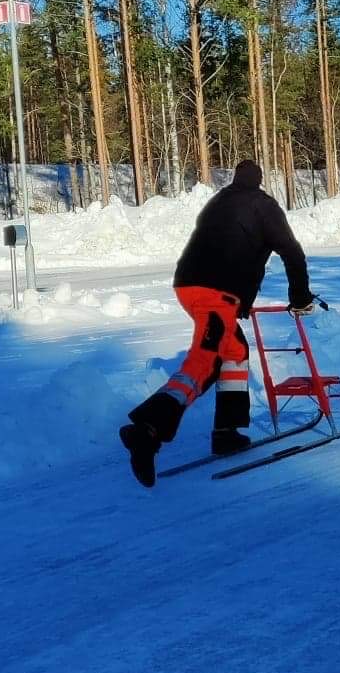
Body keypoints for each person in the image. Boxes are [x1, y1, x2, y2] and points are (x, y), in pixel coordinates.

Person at [120, 160, 316, 487]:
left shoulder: (220, 201)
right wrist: (300, 298)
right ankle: (147, 430)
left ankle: (227, 431)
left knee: (235, 351)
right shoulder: (264, 207)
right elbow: (292, 253)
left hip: (189, 287)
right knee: (204, 361)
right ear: (259, 181)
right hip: (216, 293)